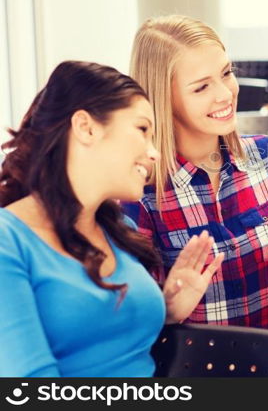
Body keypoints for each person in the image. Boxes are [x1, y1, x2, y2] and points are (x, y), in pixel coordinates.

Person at [122, 15, 268, 365]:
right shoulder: (139, 194)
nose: (224, 93)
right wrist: (167, 310)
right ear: (161, 98)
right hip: (202, 376)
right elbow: (130, 327)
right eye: (201, 87)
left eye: (226, 73)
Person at [0, 61, 223, 377]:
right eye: (142, 130)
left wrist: (167, 311)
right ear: (86, 128)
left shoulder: (120, 231)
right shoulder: (8, 241)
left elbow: (115, 349)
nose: (154, 153)